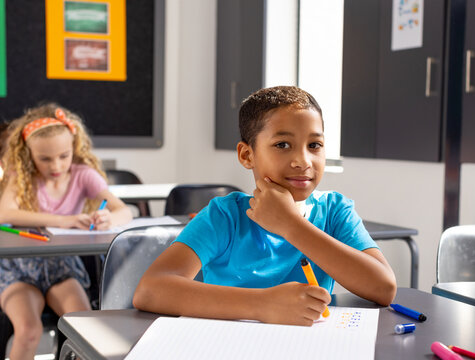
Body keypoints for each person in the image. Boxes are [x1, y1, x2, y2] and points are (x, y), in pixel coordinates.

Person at [133, 86, 396, 326]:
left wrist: (292, 226)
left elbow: (383, 288)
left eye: (314, 145)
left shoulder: (335, 211)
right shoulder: (224, 217)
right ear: (247, 155)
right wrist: (262, 305)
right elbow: (151, 290)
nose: (303, 161)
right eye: (282, 145)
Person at [0, 103, 132, 360]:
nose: (56, 165)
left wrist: (108, 218)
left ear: (74, 149)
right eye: (45, 158)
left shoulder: (83, 175)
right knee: (29, 331)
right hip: (20, 270)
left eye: (64, 156)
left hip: (63, 267)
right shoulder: (20, 175)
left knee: (85, 329)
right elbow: (6, 214)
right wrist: (65, 220)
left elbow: (125, 211)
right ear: (28, 154)